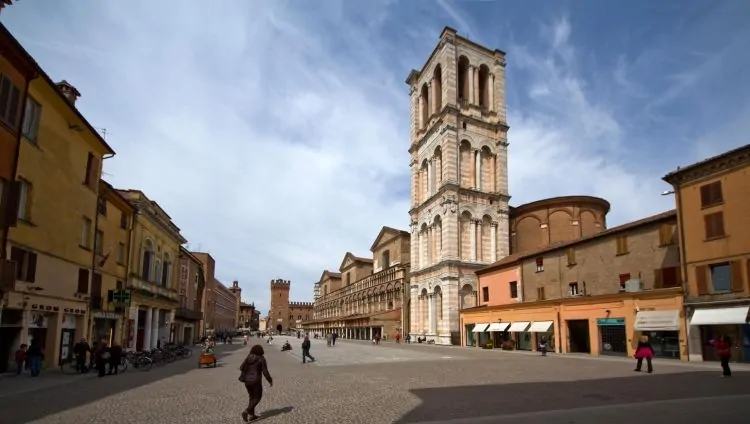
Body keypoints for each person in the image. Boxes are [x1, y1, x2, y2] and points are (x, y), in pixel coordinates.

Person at [239, 345, 273, 422]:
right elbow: (265, 371)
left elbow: (241, 367)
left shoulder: (248, 357)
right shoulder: (261, 358)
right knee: (257, 397)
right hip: (256, 381)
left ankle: (252, 415)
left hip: (247, 381)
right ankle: (246, 411)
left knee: (251, 397)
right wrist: (270, 380)